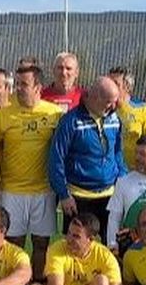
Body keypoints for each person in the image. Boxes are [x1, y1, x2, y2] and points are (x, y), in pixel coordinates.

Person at [0, 62, 64, 276]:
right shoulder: (3, 115)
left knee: (41, 245)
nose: (18, 88)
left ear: (38, 87)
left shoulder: (55, 114)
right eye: (17, 83)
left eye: (24, 84)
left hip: (43, 190)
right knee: (13, 244)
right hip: (12, 190)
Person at [50, 76, 126, 231]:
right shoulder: (70, 121)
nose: (113, 106)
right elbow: (56, 159)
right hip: (79, 198)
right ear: (96, 97)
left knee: (114, 248)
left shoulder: (114, 119)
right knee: (77, 249)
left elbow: (117, 154)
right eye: (109, 101)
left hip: (110, 196)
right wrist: (64, 195)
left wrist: (123, 182)